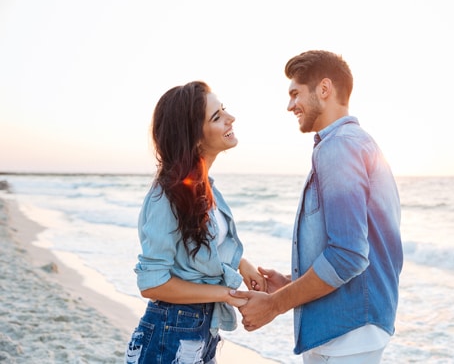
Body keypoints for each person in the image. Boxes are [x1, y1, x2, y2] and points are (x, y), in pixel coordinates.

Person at [230, 50, 403, 363]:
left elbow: (349, 255)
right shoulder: (356, 143)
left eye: (295, 93)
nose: (290, 105)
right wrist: (292, 285)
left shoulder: (339, 146)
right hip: (345, 328)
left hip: (348, 333)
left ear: (324, 89)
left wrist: (275, 304)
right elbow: (355, 250)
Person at [125, 81, 265, 364]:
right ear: (195, 138)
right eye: (217, 117)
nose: (230, 118)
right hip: (170, 332)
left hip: (200, 330)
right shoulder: (166, 196)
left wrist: (242, 264)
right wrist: (227, 294)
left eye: (223, 109)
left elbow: (205, 246)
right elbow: (152, 284)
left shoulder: (203, 188)